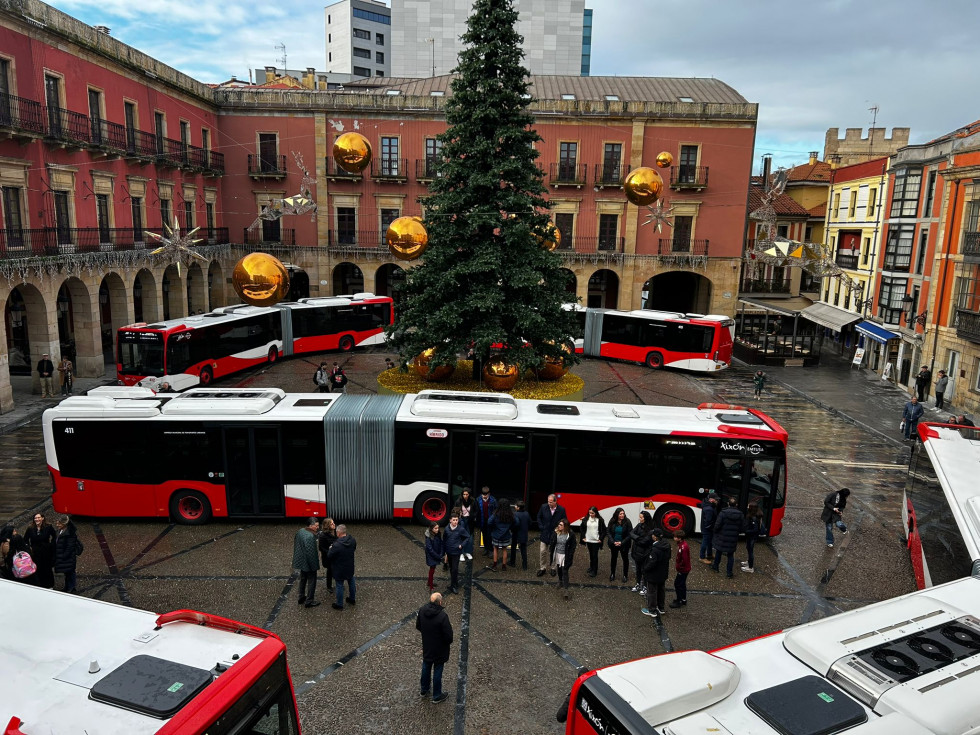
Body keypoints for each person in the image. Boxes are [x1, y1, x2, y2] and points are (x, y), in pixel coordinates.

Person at [416, 591, 453, 704]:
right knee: (438, 669)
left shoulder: (422, 610)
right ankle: (437, 695)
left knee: (426, 666)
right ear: (440, 602)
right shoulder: (442, 616)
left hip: (427, 645)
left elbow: (418, 626)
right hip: (440, 648)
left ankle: (424, 689)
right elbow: (448, 636)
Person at [711, 497, 745, 578]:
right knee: (730, 555)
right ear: (736, 504)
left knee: (718, 552)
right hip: (733, 538)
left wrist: (715, 531)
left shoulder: (723, 513)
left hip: (722, 537)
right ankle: (729, 573)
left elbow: (717, 525)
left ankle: (716, 567)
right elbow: (742, 528)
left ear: (728, 504)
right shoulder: (740, 514)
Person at [640, 528, 671, 617]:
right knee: (661, 590)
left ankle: (652, 610)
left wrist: (645, 569)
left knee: (652, 592)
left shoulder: (655, 549)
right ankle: (661, 608)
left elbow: (652, 563)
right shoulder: (667, 545)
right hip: (663, 573)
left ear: (655, 537)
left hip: (653, 574)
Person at [292, 517, 321, 608]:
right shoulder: (310, 537)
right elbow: (311, 553)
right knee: (312, 581)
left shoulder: (300, 531)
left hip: (301, 561)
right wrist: (314, 566)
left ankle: (301, 597)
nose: (318, 528)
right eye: (316, 526)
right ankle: (309, 601)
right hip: (308, 563)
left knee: (303, 579)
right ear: (311, 526)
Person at [536, 494, 567, 577]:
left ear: (555, 501)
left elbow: (564, 520)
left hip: (555, 534)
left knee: (553, 552)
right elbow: (538, 517)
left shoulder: (561, 509)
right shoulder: (543, 507)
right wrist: (541, 527)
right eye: (548, 501)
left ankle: (553, 568)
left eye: (551, 502)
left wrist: (559, 529)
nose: (549, 503)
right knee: (542, 551)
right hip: (545, 533)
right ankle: (542, 568)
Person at [327, 523, 357, 609]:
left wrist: (330, 548)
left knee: (339, 585)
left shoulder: (336, 545)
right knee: (351, 581)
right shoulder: (352, 540)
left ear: (338, 533)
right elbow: (354, 548)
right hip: (349, 566)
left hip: (339, 568)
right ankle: (352, 598)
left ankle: (339, 604)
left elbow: (329, 556)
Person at [24, 512, 56, 589]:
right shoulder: (30, 528)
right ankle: (39, 584)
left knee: (47, 568)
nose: (37, 519)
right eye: (35, 518)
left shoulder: (48, 527)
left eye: (38, 518)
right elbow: (25, 539)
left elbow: (54, 536)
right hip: (36, 552)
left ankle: (49, 584)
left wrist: (51, 545)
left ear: (42, 518)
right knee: (38, 568)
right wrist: (29, 548)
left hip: (46, 551)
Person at [549, 518, 576, 599]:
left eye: (561, 525)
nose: (559, 526)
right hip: (557, 554)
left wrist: (570, 554)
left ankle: (566, 589)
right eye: (559, 524)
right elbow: (552, 541)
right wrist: (551, 549)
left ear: (565, 526)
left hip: (565, 555)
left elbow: (573, 545)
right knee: (559, 569)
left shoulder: (570, 534)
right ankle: (560, 581)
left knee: (565, 571)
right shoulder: (556, 532)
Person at [442, 513, 469, 594]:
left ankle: (454, 586)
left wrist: (462, 545)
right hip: (449, 551)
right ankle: (454, 584)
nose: (455, 522)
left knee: (455, 569)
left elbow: (467, 537)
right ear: (450, 520)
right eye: (453, 520)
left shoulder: (461, 529)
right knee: (452, 569)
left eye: (456, 520)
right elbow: (444, 539)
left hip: (456, 552)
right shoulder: (447, 529)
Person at [53, 515, 80, 592]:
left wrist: (63, 556)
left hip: (68, 557)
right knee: (67, 573)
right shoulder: (60, 531)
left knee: (70, 573)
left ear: (64, 524)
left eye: (59, 524)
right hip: (63, 556)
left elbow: (70, 547)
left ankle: (71, 588)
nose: (57, 525)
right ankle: (68, 586)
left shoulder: (70, 534)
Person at [629, 511, 654, 594]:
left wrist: (636, 539)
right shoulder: (639, 525)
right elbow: (631, 533)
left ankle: (645, 586)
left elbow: (645, 542)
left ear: (645, 518)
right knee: (638, 570)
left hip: (645, 553)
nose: (640, 519)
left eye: (641, 517)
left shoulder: (650, 529)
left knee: (644, 570)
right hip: (637, 552)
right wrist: (638, 538)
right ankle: (638, 583)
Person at [486, 498, 515, 571]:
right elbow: (516, 522)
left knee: (495, 549)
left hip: (496, 535)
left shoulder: (496, 513)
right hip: (506, 535)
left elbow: (489, 522)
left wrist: (494, 527)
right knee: (504, 549)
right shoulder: (510, 514)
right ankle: (504, 566)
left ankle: (495, 565)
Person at [578, 506, 606, 578]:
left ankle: (594, 570)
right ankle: (591, 567)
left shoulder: (600, 520)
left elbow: (604, 530)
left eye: (592, 513)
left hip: (596, 541)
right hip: (588, 540)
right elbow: (582, 528)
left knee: (594, 555)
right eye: (590, 513)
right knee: (591, 554)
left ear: (596, 513)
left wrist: (601, 538)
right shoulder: (586, 519)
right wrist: (583, 537)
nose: (591, 514)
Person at [606, 507, 632, 582]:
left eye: (623, 513)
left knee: (625, 559)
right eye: (620, 514)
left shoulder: (627, 521)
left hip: (624, 544)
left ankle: (625, 575)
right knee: (613, 559)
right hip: (614, 544)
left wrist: (622, 542)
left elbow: (630, 534)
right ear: (617, 514)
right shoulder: (612, 521)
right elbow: (608, 531)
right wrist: (613, 541)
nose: (622, 515)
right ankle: (612, 574)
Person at [669, 531, 691, 608]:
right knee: (682, 584)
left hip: (683, 570)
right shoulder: (682, 545)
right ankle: (683, 599)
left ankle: (679, 600)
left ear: (679, 538)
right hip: (684, 569)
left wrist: (680, 567)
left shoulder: (683, 547)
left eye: (675, 537)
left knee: (678, 584)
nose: (674, 538)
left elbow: (684, 560)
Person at [473, 486, 497, 557]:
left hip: (490, 521)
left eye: (486, 495)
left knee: (490, 536)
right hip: (482, 521)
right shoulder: (478, 500)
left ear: (489, 494)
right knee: (484, 535)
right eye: (483, 495)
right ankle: (486, 549)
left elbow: (496, 510)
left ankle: (490, 550)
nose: (484, 496)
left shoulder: (493, 500)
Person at [741, 501, 763, 574]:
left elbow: (755, 529)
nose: (747, 507)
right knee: (748, 548)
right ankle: (748, 562)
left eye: (748, 506)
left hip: (752, 537)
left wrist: (746, 531)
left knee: (750, 551)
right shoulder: (755, 516)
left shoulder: (754, 518)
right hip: (751, 536)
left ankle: (750, 567)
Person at [510, 500, 531, 571]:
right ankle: (524, 565)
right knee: (523, 550)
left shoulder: (515, 514)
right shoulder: (527, 514)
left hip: (516, 534)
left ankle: (512, 562)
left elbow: (513, 524)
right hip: (524, 534)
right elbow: (530, 523)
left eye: (516, 506)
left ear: (518, 508)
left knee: (513, 548)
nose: (515, 506)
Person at [699, 493, 719, 564]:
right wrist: (711, 528)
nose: (717, 501)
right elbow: (708, 521)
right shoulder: (709, 509)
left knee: (709, 542)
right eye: (716, 499)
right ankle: (702, 557)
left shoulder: (708, 506)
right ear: (711, 500)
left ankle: (709, 554)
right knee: (705, 542)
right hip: (708, 529)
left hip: (707, 528)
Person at [318, 518, 338, 591]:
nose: (334, 524)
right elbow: (321, 548)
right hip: (328, 557)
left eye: (333, 523)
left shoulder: (336, 531)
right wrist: (330, 551)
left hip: (336, 556)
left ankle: (338, 584)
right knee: (330, 571)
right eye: (332, 524)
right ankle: (329, 586)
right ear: (327, 526)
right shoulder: (323, 536)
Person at [424, 523, 444, 590]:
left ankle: (430, 582)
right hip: (432, 556)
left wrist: (441, 554)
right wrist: (438, 556)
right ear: (431, 529)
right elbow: (430, 549)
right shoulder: (429, 537)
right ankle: (430, 584)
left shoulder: (437, 534)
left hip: (436, 555)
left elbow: (441, 543)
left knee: (432, 569)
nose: (437, 530)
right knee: (432, 570)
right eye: (435, 528)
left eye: (438, 528)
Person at [457, 488, 475, 560]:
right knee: (461, 536)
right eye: (464, 494)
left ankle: (468, 552)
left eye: (466, 494)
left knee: (469, 537)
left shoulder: (473, 501)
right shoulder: (459, 501)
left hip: (469, 520)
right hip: (462, 520)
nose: (465, 496)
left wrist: (473, 516)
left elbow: (476, 510)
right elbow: (455, 510)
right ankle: (461, 553)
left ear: (469, 494)